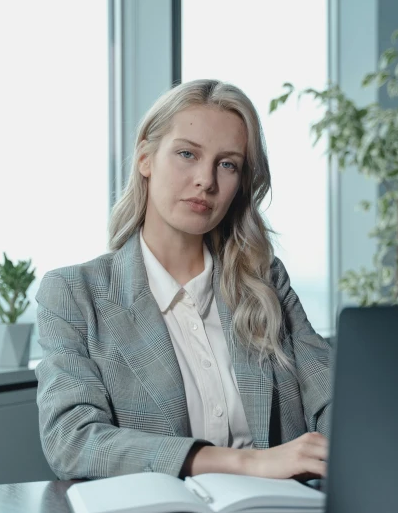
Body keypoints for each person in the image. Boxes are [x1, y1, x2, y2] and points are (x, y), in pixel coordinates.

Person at [35, 79, 333, 482]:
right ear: (146, 158)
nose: (206, 181)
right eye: (187, 154)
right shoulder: (74, 294)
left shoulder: (265, 280)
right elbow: (72, 440)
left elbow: (333, 401)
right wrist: (247, 462)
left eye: (227, 164)